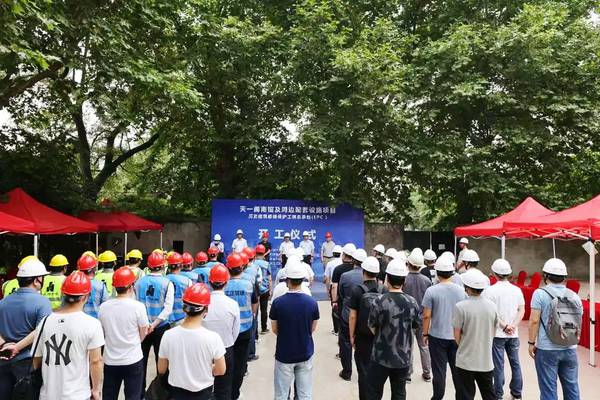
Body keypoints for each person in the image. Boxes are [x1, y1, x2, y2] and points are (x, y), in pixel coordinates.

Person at [33, 271, 104, 400]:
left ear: (63, 294)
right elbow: (96, 361)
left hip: (47, 395)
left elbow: (36, 360)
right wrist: (95, 390)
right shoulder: (92, 324)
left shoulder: (45, 322)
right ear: (85, 297)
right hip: (78, 395)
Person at [158, 283, 226, 399]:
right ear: (206, 309)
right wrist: (204, 370)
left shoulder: (168, 335)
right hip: (203, 393)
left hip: (176, 393)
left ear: (184, 307)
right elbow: (220, 370)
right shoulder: (213, 338)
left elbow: (161, 369)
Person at [529, 258, 582, 400]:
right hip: (570, 347)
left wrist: (531, 343)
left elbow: (534, 321)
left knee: (548, 389)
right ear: (564, 277)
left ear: (545, 276)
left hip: (547, 348)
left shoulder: (539, 294)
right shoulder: (574, 296)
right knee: (572, 388)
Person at [367, 258, 421, 400]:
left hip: (380, 356)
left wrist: (382, 334)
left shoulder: (379, 301)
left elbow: (372, 326)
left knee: (373, 392)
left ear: (387, 278)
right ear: (404, 281)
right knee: (399, 393)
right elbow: (415, 326)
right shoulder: (412, 302)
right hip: (403, 357)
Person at [0, 257, 51, 398]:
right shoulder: (42, 302)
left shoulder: (3, 302)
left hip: (3, 361)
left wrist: (5, 345)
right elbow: (41, 330)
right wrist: (17, 347)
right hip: (27, 363)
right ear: (36, 280)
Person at [269, 258, 319, 400]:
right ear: (302, 280)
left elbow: (275, 329)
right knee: (304, 394)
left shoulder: (278, 303)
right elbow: (313, 328)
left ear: (287, 280)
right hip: (305, 352)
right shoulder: (312, 303)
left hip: (284, 354)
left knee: (281, 395)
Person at [99, 267, 149, 400]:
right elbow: (143, 331)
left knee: (109, 396)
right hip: (133, 359)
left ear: (115, 287)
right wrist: (135, 341)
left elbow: (102, 332)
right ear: (131, 286)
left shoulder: (104, 307)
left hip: (110, 360)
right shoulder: (138, 307)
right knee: (133, 396)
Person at [421, 256, 467, 400]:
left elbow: (426, 315)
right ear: (452, 273)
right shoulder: (461, 291)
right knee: (458, 371)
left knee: (439, 372)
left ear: (437, 272)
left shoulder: (431, 291)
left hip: (437, 337)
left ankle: (437, 397)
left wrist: (425, 334)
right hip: (456, 337)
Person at [453, 268, 500, 400]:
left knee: (465, 395)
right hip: (485, 360)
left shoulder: (460, 307)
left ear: (466, 287)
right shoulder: (492, 306)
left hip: (465, 360)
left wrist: (465, 345)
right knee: (489, 394)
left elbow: (456, 334)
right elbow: (493, 331)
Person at [482, 259, 524, 400]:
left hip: (498, 333)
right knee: (515, 363)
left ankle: (498, 394)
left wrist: (504, 326)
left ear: (494, 273)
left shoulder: (489, 291)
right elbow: (521, 310)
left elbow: (491, 314)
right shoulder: (516, 290)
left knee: (498, 365)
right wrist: (513, 326)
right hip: (513, 334)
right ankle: (517, 392)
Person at [135, 250, 175, 395]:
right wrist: (154, 324)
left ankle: (140, 394)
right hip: (160, 327)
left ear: (149, 266)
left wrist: (147, 324)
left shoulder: (139, 283)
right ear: (163, 266)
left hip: (142, 328)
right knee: (162, 363)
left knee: (141, 361)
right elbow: (168, 308)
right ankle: (160, 394)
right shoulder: (167, 283)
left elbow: (135, 305)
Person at [224, 253, 258, 400]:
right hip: (244, 329)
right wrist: (252, 317)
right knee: (240, 365)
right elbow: (254, 303)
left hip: (226, 330)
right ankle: (235, 394)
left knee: (225, 363)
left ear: (228, 268)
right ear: (242, 268)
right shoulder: (248, 284)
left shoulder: (223, 285)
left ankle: (225, 393)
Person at [204, 264, 240, 400]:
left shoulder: (204, 303)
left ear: (210, 282)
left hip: (204, 350)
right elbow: (235, 331)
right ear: (226, 282)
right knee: (224, 388)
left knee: (203, 386)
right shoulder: (232, 304)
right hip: (226, 349)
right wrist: (228, 342)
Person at [348, 256, 382, 400]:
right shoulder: (383, 289)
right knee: (378, 372)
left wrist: (351, 336)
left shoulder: (357, 290)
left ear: (364, 271)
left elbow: (352, 316)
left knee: (363, 370)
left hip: (362, 336)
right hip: (380, 337)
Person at [337, 248, 368, 381]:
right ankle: (364, 372)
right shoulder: (369, 277)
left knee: (345, 343)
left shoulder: (345, 276)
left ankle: (347, 371)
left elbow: (341, 294)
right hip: (364, 316)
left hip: (347, 313)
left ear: (353, 261)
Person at [404, 248, 432, 382]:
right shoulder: (426, 281)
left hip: (407, 318)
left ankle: (408, 374)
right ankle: (427, 373)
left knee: (408, 346)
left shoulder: (404, 279)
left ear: (408, 263)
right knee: (424, 346)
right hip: (422, 318)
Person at [331, 243, 356, 344]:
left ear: (344, 255)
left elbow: (334, 286)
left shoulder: (338, 269)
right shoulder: (357, 269)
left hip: (343, 301)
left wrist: (334, 301)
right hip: (357, 300)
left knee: (343, 325)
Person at [166, 252, 194, 327]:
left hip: (165, 319)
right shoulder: (187, 281)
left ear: (169, 266)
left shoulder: (163, 280)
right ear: (181, 265)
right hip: (181, 318)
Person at [78, 254, 109, 319]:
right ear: (93, 269)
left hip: (79, 320)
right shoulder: (100, 285)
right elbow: (106, 305)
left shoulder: (75, 284)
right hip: (96, 320)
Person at [324, 245, 343, 334]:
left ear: (333, 253)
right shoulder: (342, 262)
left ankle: (336, 329)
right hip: (343, 286)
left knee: (334, 306)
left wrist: (328, 289)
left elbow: (327, 278)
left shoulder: (330, 263)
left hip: (333, 286)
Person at [255, 244, 273, 334]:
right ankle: (264, 328)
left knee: (254, 310)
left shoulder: (253, 263)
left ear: (256, 253)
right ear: (264, 253)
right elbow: (269, 278)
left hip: (255, 290)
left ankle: (254, 331)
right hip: (264, 289)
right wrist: (270, 290)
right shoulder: (266, 264)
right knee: (264, 310)